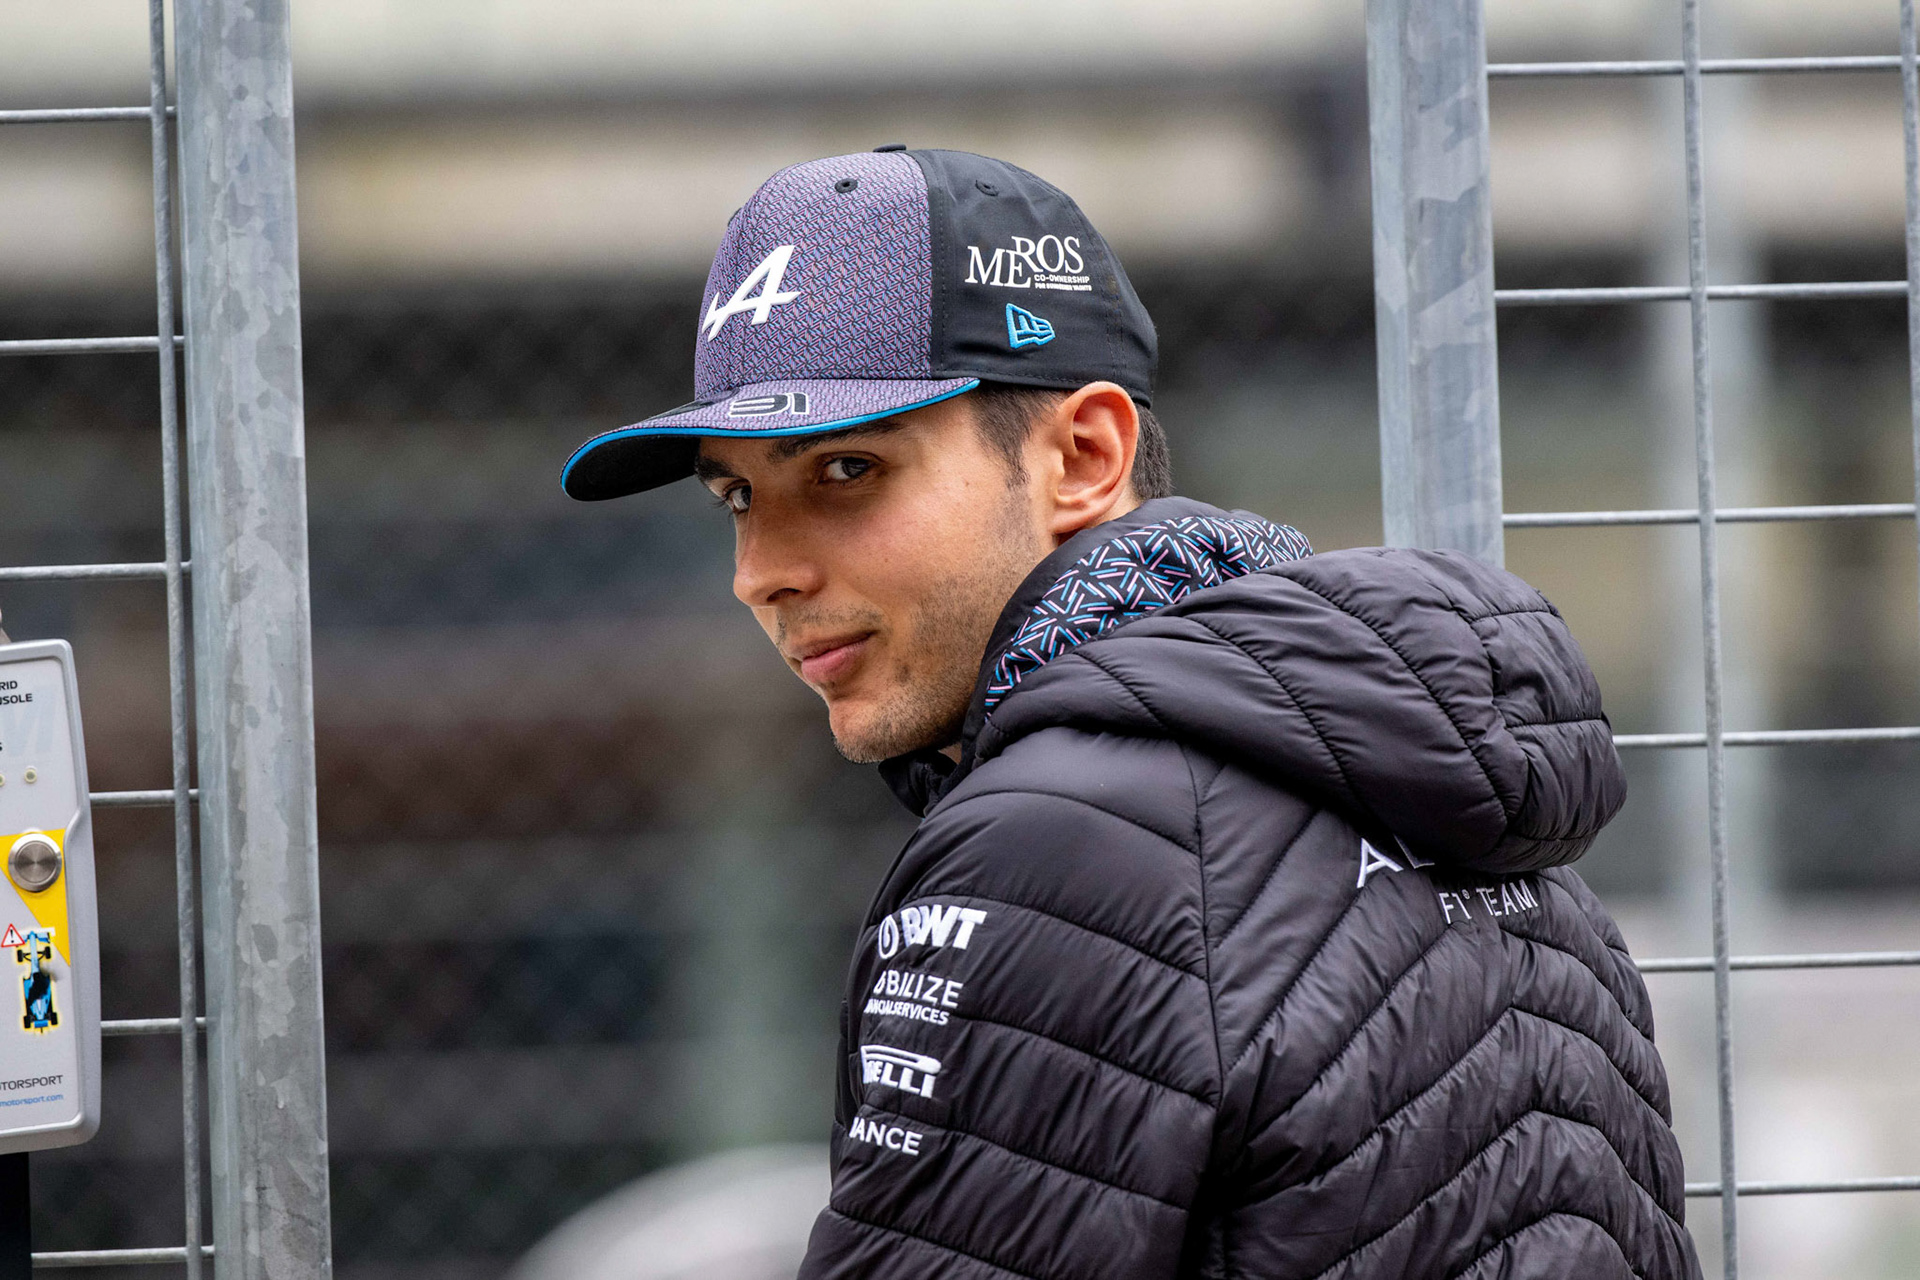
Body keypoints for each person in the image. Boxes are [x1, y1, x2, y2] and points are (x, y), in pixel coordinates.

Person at [562, 147, 1703, 1280]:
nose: (759, 570)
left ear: (1084, 454)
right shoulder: (1442, 789)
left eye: (846, 471)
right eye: (736, 497)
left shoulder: (1062, 841)